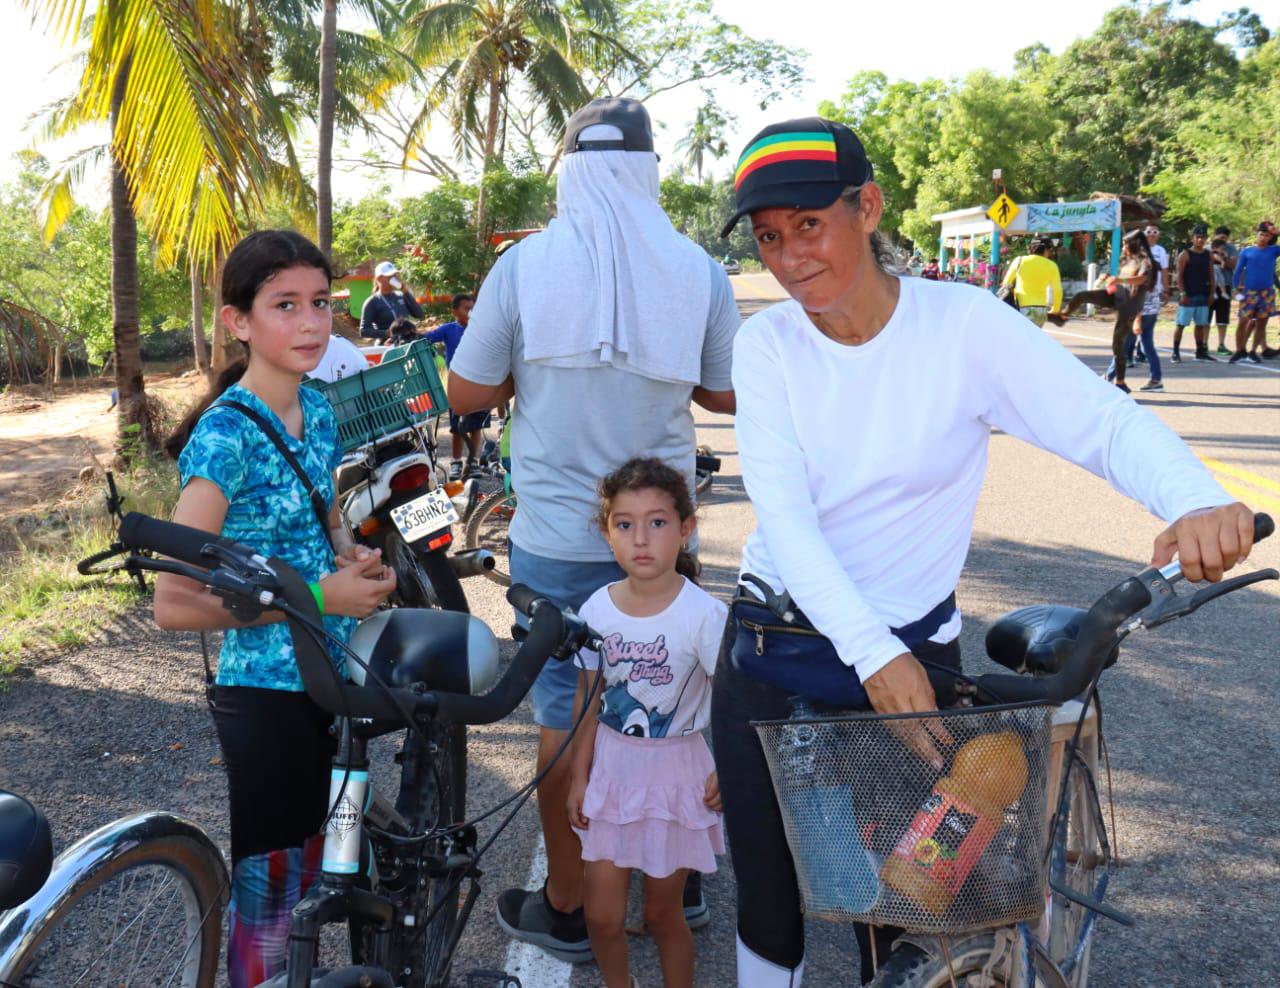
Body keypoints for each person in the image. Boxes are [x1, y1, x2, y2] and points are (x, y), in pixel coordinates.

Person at [714, 116, 1256, 988]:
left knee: (911, 898)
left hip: (910, 651)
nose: (788, 259)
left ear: (869, 207)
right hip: (783, 644)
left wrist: (1193, 499)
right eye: (770, 238)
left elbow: (1101, 422)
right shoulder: (769, 344)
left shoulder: (961, 325)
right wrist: (872, 652)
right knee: (772, 892)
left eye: (808, 226)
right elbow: (785, 518)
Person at [446, 96, 738, 962]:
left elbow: (466, 394)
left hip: (559, 540)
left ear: (568, 171)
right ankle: (672, 889)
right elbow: (723, 393)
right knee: (672, 692)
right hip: (659, 535)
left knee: (566, 709)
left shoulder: (525, 266)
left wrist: (537, 374)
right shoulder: (697, 270)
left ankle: (571, 901)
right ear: (649, 171)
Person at [155, 230, 397, 987]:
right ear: (238, 322)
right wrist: (321, 596)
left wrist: (345, 555)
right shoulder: (226, 436)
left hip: (335, 676)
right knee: (270, 890)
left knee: (331, 860)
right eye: (285, 305)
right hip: (266, 692)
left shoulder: (318, 412)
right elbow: (174, 602)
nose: (311, 323)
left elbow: (321, 518)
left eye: (321, 303)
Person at [568, 457, 727, 988]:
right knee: (602, 916)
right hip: (611, 773)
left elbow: (733, 699)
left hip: (678, 777)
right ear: (607, 533)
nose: (642, 539)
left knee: (663, 916)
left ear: (686, 529)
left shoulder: (704, 616)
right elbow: (588, 699)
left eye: (658, 522)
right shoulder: (596, 609)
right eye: (625, 524)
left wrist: (727, 767)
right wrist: (576, 777)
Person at [1048, 229, 1157, 394]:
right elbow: (1122, 282)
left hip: (1130, 305)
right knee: (1082, 295)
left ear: (1134, 245)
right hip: (1117, 296)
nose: (1123, 247)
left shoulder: (1145, 261)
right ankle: (1063, 316)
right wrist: (1111, 283)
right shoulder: (1127, 261)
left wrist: (1121, 280)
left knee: (1118, 344)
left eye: (1126, 244)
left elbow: (1142, 279)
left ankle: (1120, 383)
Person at [423, 293, 486, 480]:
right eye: (467, 308)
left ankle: (473, 462)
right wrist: (407, 335)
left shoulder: (481, 329)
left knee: (476, 426)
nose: (471, 312)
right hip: (457, 385)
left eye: (473, 308)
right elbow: (427, 338)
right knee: (457, 427)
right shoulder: (449, 329)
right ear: (455, 311)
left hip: (480, 384)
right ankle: (456, 463)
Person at [1230, 220, 1280, 364]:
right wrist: (1235, 289)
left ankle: (1253, 351)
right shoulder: (1247, 252)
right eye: (1261, 234)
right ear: (1257, 235)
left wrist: (1277, 232)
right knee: (1243, 321)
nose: (1263, 238)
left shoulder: (1273, 251)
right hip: (1249, 293)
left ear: (1270, 237)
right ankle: (1240, 350)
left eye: (1266, 235)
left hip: (1267, 293)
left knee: (1261, 323)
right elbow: (1238, 271)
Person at [1171, 225, 1215, 373]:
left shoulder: (1208, 254)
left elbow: (1211, 274)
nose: (1200, 239)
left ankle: (1200, 351)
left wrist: (1211, 293)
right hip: (1188, 295)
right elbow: (1179, 275)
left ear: (1206, 239)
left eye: (1203, 237)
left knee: (1201, 324)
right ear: (1193, 238)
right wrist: (1182, 293)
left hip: (1203, 293)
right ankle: (1175, 352)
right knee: (1181, 324)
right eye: (1197, 237)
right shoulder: (1185, 254)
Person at [999, 237, 1062, 327]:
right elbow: (1057, 290)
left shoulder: (1019, 261)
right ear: (1045, 250)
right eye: (1049, 250)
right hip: (1041, 310)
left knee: (1021, 335)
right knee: (1034, 336)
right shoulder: (1052, 266)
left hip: (1021, 307)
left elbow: (1006, 283)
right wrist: (1055, 309)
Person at [359, 260, 425, 340]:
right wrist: (388, 333)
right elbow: (363, 331)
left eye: (395, 275)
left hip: (405, 342)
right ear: (379, 278)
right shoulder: (372, 302)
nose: (394, 279)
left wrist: (406, 291)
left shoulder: (401, 295)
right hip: (386, 345)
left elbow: (419, 314)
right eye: (390, 276)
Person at [1210, 226, 1237, 355]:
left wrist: (1223, 258)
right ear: (1215, 235)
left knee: (1223, 317)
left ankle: (1221, 344)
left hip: (1225, 285)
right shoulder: (1206, 248)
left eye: (1225, 238)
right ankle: (1203, 344)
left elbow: (1233, 265)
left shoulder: (1231, 249)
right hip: (1209, 286)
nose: (1223, 240)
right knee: (1206, 317)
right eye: (1221, 237)